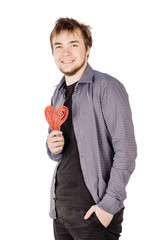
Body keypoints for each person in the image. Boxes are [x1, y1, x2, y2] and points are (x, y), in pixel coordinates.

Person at [46, 17, 137, 240]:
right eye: (59, 46)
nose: (65, 52)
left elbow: (126, 151)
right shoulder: (57, 94)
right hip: (61, 211)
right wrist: (51, 147)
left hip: (94, 213)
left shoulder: (107, 88)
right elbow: (58, 153)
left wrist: (108, 206)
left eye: (73, 44)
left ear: (88, 48)